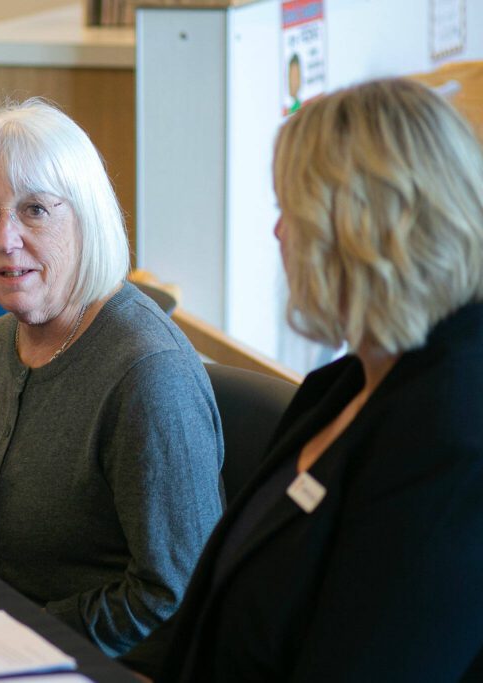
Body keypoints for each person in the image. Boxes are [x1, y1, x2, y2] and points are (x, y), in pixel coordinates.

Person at [121, 78, 483, 680]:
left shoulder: (454, 437)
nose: (279, 233)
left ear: (359, 231)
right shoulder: (346, 383)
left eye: (289, 209)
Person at [0, 99, 224, 657]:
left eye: (34, 210)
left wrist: (16, 638)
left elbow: (174, 598)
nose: (4, 238)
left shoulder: (148, 378)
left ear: (86, 216)